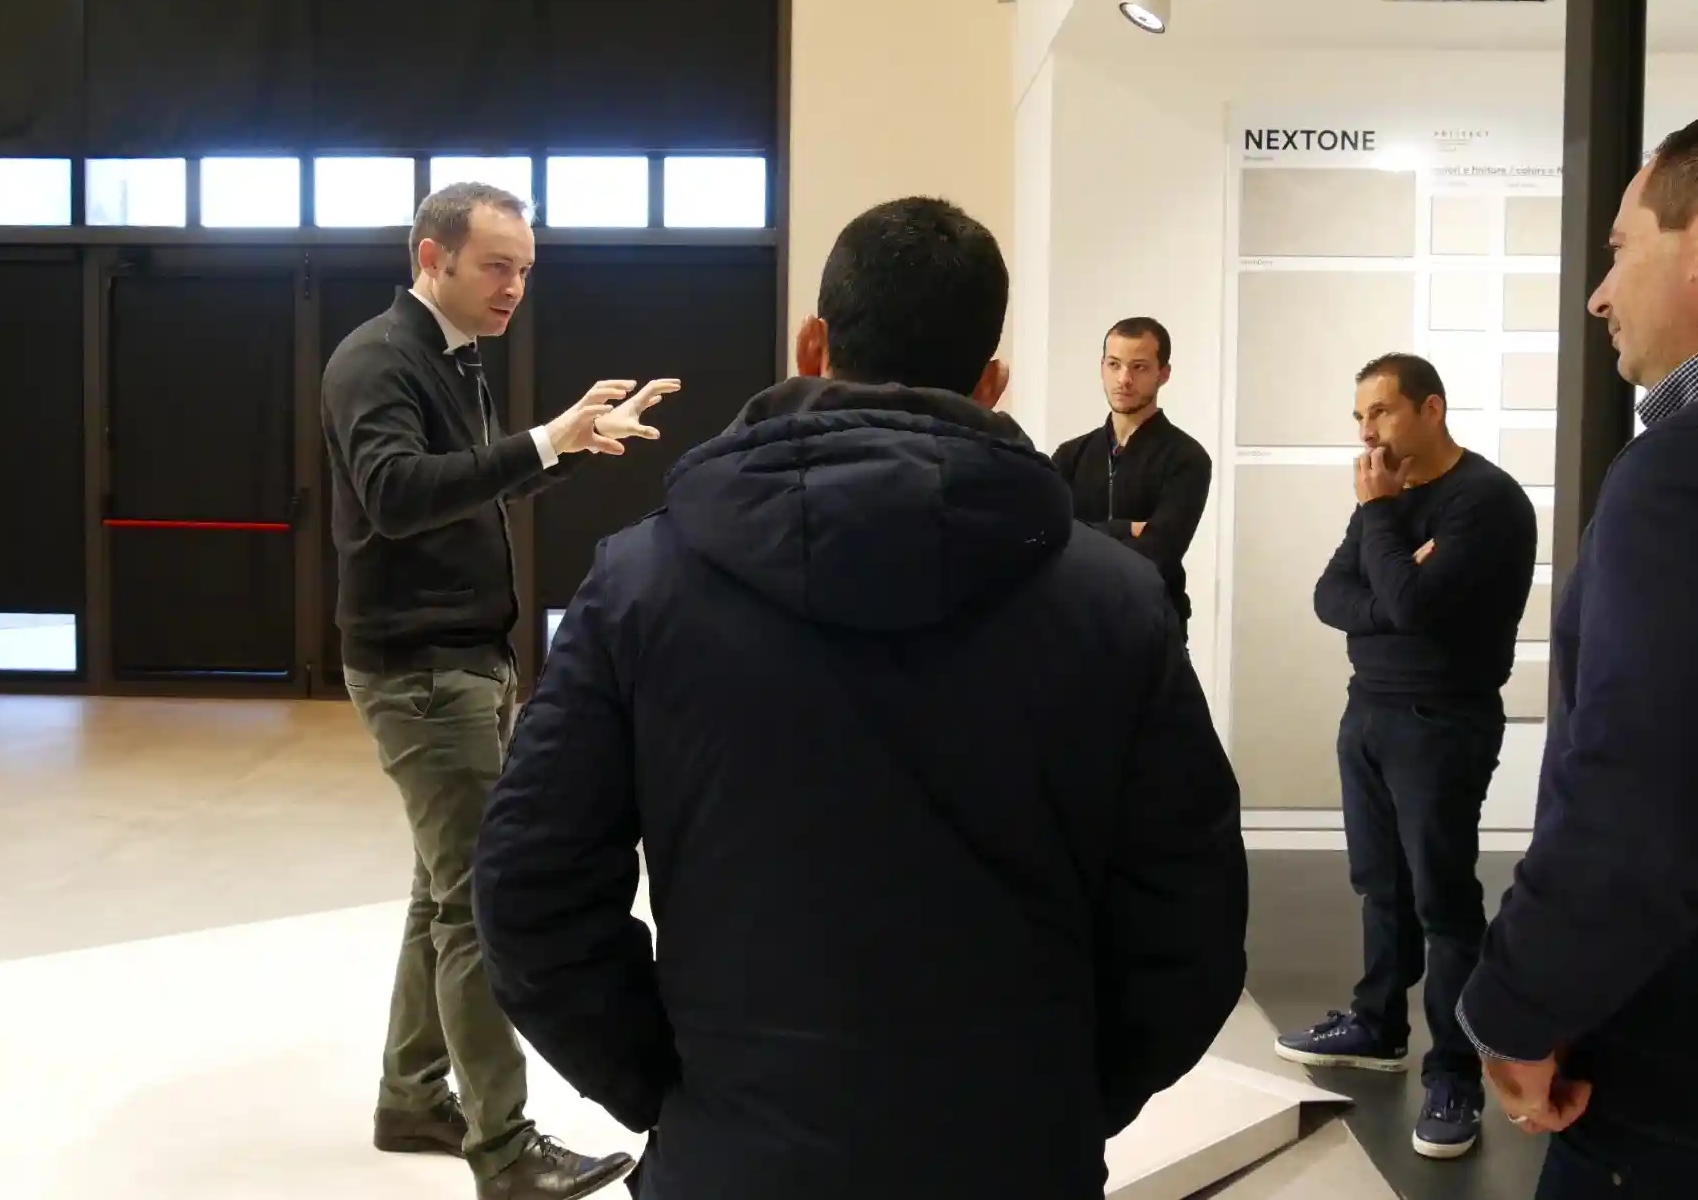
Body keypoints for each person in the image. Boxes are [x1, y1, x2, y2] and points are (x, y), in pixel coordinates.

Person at [474, 197, 1248, 1200]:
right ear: (992, 379)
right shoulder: (1115, 604)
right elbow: (1190, 919)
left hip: (737, 1154)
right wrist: (1067, 1095)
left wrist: (668, 1087)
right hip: (1012, 1152)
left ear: (812, 343)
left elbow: (527, 890)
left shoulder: (640, 585)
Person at [321, 181, 678, 1199]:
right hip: (421, 667)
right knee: (478, 901)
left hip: (458, 657)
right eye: (497, 265)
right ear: (428, 256)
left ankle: (412, 1095)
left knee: (444, 889)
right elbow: (395, 495)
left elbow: (459, 478)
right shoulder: (376, 361)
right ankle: (504, 1149)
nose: (516, 285)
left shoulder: (445, 354)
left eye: (525, 267)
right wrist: (542, 442)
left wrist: (559, 450)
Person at [1459, 119, 1698, 1199]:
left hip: (1664, 1086)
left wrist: (1516, 1008)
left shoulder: (1672, 485)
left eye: (1619, 248)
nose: (1600, 295)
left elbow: (1637, 798)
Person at [1276, 352, 1535, 1161]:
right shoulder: (1386, 504)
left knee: (1443, 899)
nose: (1366, 433)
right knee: (1376, 883)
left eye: (1380, 413)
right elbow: (1329, 595)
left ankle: (1453, 1071)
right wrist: (1390, 595)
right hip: (1369, 711)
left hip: (1440, 720)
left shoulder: (1482, 502)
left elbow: (1416, 605)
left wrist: (1387, 552)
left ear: (1431, 408)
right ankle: (1379, 1024)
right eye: (1358, 417)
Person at [1051, 318, 1212, 635]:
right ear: (1102, 368)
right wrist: (1123, 528)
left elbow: (1158, 554)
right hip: (1076, 627)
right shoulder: (1070, 455)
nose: (1124, 379)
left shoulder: (1187, 458)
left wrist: (1079, 538)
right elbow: (1046, 537)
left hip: (1152, 629)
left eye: (1139, 367)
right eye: (1114, 365)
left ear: (1163, 374)